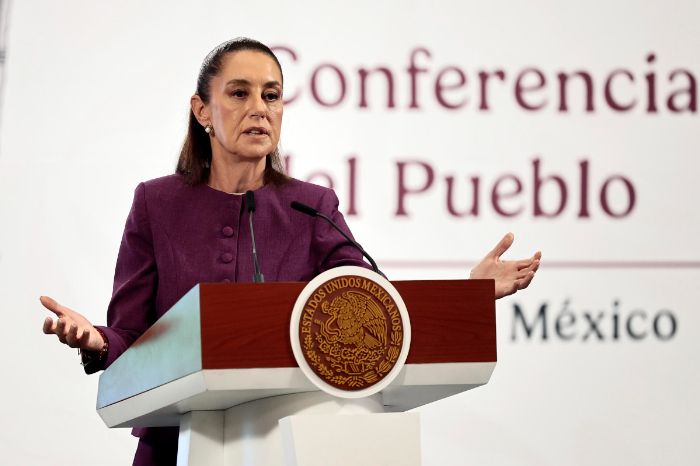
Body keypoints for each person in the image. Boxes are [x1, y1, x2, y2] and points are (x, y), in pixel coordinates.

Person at [39, 38, 541, 465]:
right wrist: (97, 341)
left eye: (272, 95)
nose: (259, 107)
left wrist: (469, 295)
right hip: (176, 443)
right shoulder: (156, 203)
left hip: (287, 441)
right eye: (239, 93)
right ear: (202, 110)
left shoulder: (312, 206)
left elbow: (372, 310)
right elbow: (131, 332)